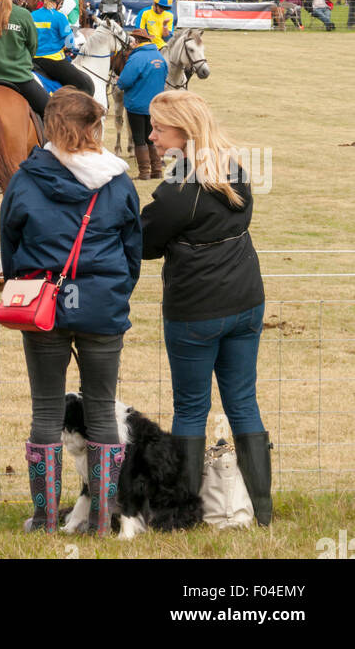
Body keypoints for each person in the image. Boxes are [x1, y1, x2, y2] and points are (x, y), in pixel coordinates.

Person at [0, 88, 141, 536]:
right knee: (101, 410)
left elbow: (10, 244)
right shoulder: (118, 180)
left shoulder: (26, 178)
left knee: (45, 410)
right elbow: (132, 250)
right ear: (94, 127)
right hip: (101, 304)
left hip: (42, 303)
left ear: (49, 126)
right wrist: (113, 292)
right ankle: (102, 520)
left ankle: (44, 519)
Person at [141, 91, 271, 525]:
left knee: (192, 408)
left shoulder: (179, 189)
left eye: (160, 128)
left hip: (196, 311)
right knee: (243, 403)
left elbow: (146, 243)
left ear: (185, 130)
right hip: (246, 301)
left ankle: (183, 512)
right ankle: (262, 510)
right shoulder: (235, 168)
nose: (151, 135)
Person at [116, 35, 168, 180]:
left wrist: (119, 82)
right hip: (155, 105)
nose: (131, 43)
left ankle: (144, 172)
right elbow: (165, 76)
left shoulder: (136, 58)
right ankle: (157, 170)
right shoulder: (158, 55)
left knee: (139, 139)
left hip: (137, 104)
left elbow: (125, 81)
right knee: (152, 138)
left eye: (133, 41)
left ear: (138, 42)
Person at [30, 0, 94, 95]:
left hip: (33, 59)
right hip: (53, 61)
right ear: (59, 0)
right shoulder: (60, 17)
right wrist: (69, 47)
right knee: (85, 85)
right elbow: (69, 43)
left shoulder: (32, 15)